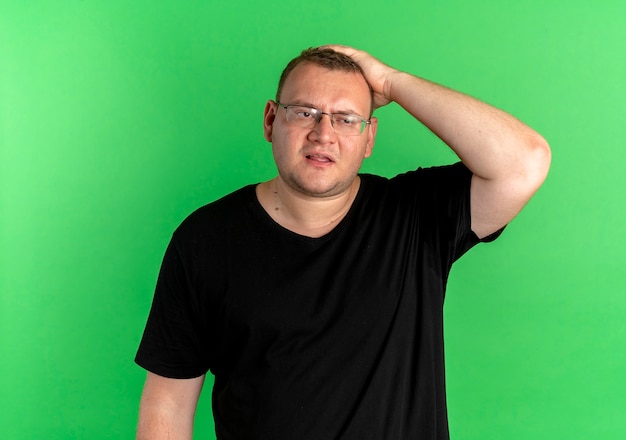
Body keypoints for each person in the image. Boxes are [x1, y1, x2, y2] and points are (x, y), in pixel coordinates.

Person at [135, 45, 551, 439]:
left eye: (346, 119)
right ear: (270, 120)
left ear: (369, 138)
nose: (323, 133)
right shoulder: (204, 239)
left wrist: (391, 82)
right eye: (305, 112)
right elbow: (168, 401)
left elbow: (524, 160)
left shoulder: (417, 215)